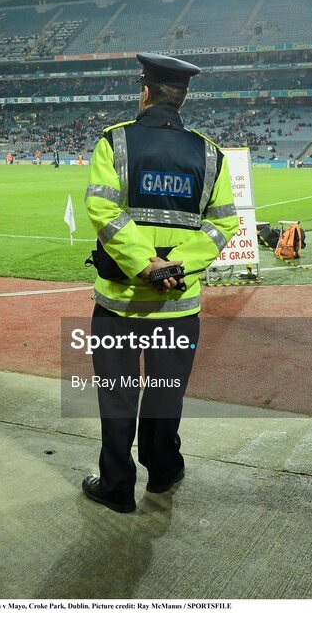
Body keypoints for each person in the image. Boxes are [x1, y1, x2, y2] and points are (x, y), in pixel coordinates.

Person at [81, 52, 239, 513]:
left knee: (117, 397)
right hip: (180, 306)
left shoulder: (116, 142)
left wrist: (145, 266)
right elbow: (223, 224)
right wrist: (177, 268)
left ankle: (117, 486)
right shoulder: (211, 153)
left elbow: (103, 211)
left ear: (145, 92)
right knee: (167, 391)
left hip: (119, 304)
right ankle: (163, 469)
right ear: (183, 97)